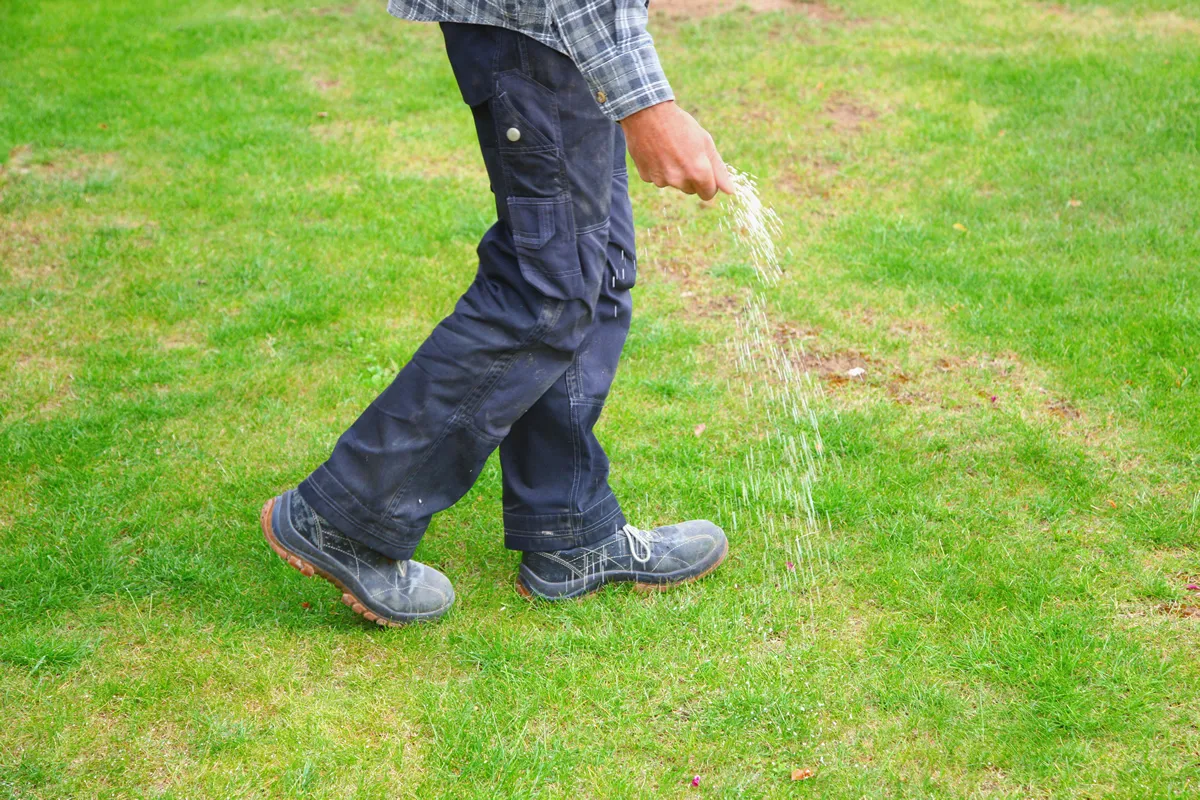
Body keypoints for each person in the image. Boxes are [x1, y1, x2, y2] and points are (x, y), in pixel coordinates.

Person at [260, 0, 736, 625]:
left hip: (557, 34)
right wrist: (647, 103)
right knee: (548, 290)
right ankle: (347, 513)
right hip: (539, 27)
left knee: (594, 270)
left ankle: (569, 533)